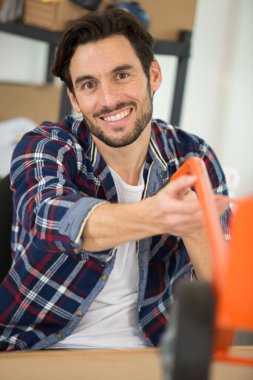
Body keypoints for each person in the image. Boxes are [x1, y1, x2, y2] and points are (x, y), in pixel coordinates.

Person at [0, 9, 230, 351]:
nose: (108, 100)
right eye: (89, 84)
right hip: (40, 349)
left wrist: (198, 231)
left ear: (153, 75)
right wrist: (159, 215)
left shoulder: (193, 156)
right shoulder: (46, 146)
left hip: (155, 352)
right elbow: (49, 219)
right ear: (75, 99)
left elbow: (225, 297)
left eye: (121, 75)